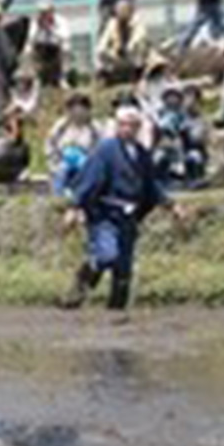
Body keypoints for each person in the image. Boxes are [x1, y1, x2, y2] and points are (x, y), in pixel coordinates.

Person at [60, 105, 185, 311]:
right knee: (106, 255)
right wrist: (74, 207)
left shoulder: (142, 154)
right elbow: (90, 180)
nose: (127, 129)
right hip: (105, 214)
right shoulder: (106, 150)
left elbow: (151, 186)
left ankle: (116, 312)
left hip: (129, 216)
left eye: (132, 125)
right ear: (117, 126)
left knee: (123, 269)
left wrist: (171, 205)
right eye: (123, 124)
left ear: (138, 127)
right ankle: (80, 286)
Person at [45, 93, 102, 197]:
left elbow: (101, 149)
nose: (77, 115)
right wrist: (53, 163)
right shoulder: (60, 126)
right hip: (62, 161)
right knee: (61, 171)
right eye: (73, 111)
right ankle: (59, 198)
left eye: (81, 111)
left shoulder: (95, 127)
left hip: (87, 162)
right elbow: (50, 144)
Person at [96, 0, 149, 85]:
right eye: (119, 10)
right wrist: (102, 50)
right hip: (117, 54)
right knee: (100, 51)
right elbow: (103, 41)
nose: (121, 12)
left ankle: (138, 72)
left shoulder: (137, 21)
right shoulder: (112, 23)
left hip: (132, 54)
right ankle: (105, 74)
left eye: (124, 10)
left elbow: (140, 35)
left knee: (140, 44)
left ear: (130, 11)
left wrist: (130, 45)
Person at [26, 0, 72, 87]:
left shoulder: (61, 21)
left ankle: (63, 78)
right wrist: (38, 29)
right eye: (41, 12)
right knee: (27, 50)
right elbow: (30, 38)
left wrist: (50, 29)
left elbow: (66, 37)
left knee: (66, 48)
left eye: (46, 12)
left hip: (55, 47)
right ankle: (35, 78)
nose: (43, 15)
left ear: (52, 11)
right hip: (40, 47)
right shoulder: (35, 22)